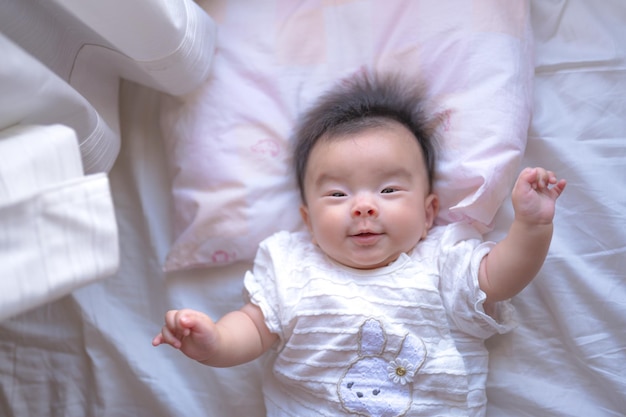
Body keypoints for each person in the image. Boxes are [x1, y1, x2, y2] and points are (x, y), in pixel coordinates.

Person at [153, 72, 566, 416]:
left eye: (388, 190)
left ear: (428, 213)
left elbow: (500, 278)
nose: (363, 206)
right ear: (308, 221)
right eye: (337, 194)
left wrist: (530, 226)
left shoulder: (442, 259)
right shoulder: (290, 264)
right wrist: (215, 342)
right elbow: (253, 328)